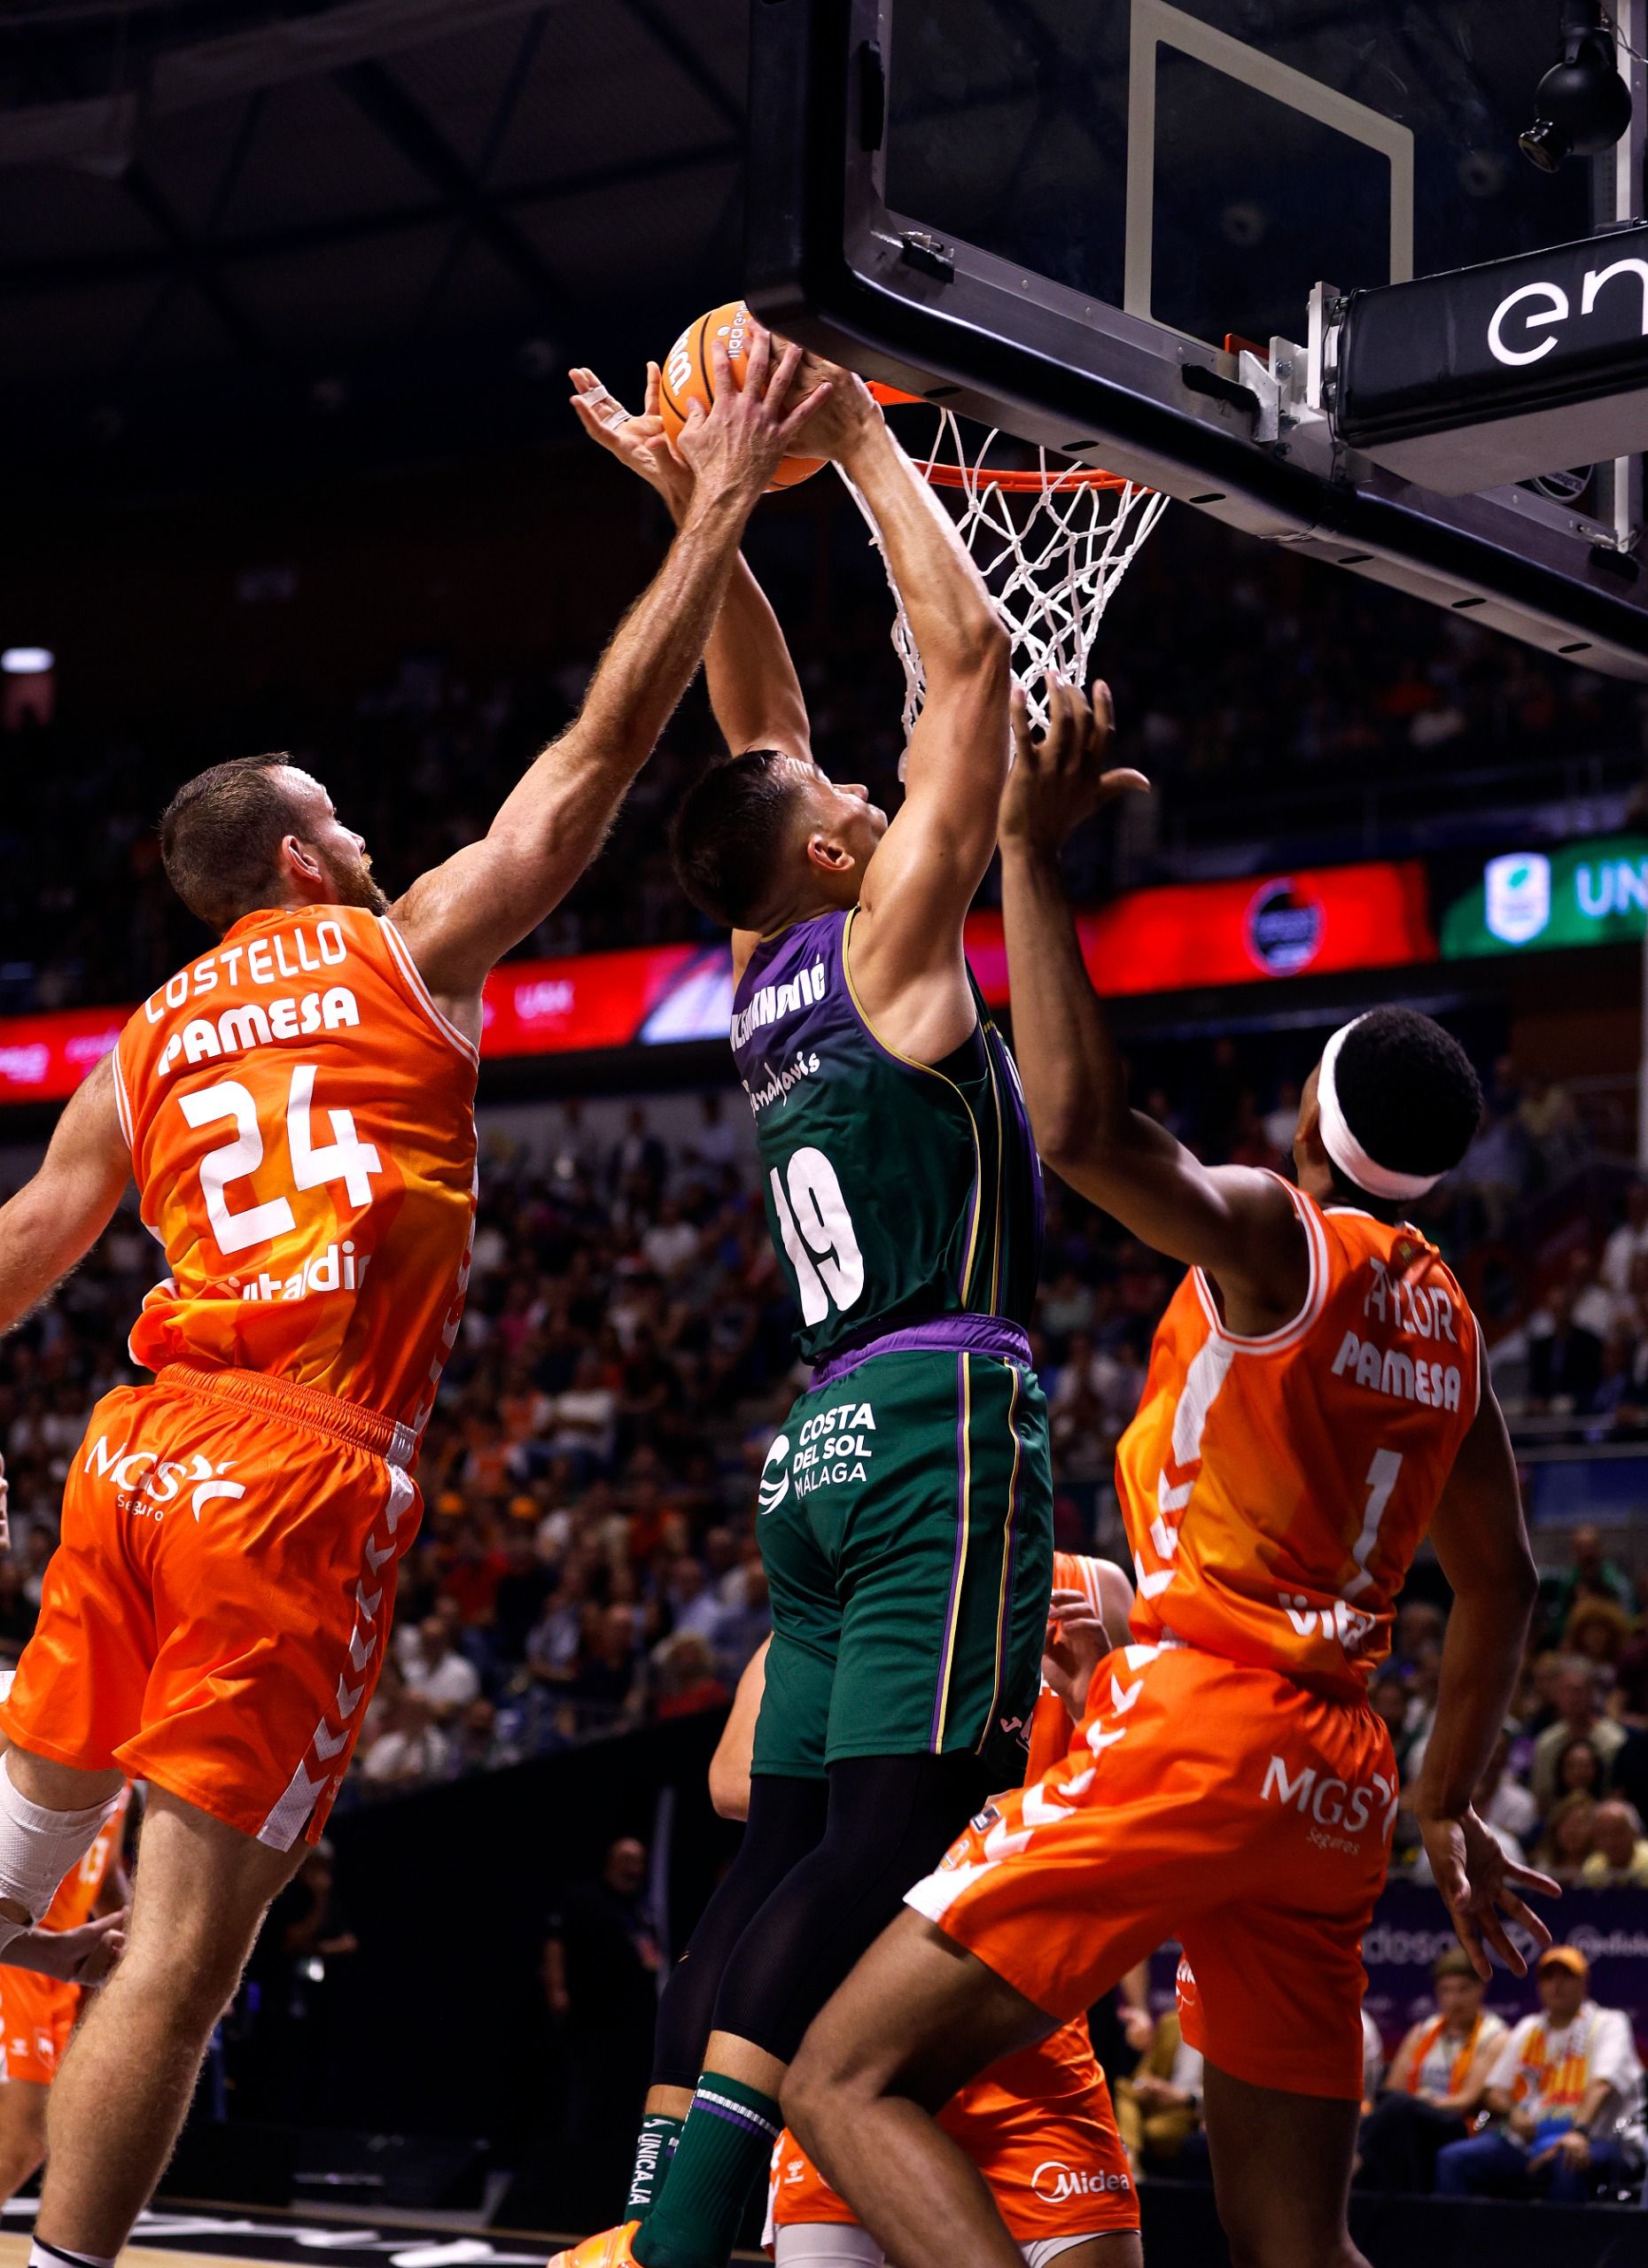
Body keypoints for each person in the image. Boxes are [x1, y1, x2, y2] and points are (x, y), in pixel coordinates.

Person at [0, 327, 829, 2268]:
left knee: (23, 1875)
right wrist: (708, 504)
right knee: (188, 1960)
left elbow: (30, 1250)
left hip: (136, 1450)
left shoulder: (143, 1039)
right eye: (346, 817)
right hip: (299, 1467)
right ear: (304, 855)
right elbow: (601, 764)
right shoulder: (401, 943)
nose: (373, 831)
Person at [782, 680, 1555, 2268]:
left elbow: (1073, 1131)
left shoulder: (1283, 1238)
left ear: (1308, 1116)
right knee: (1297, 2244)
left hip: (1201, 1725)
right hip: (1338, 1784)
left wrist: (1028, 852)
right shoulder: (1455, 1326)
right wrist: (1453, 1803)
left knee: (843, 2080)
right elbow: (1505, 1581)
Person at [554, 347, 1051, 2268]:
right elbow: (980, 683)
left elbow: (753, 719)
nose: (859, 778)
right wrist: (851, 449)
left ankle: (645, 2206)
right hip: (932, 1418)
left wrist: (708, 496)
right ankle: (695, 2239)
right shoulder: (893, 934)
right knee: (867, 1845)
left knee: (780, 1841)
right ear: (843, 854)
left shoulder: (772, 962)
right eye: (850, 793)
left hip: (816, 1446)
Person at [735, 1569, 1142, 2268]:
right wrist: (880, 1795)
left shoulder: (1086, 1585)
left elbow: (1142, 1777)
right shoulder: (853, 1598)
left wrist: (1092, 1695)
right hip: (862, 2044)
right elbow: (730, 1781)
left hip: (1027, 2063)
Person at [0, 1780, 130, 2207]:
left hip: (59, 1959)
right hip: (17, 1949)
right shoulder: (43, 1724)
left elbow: (106, 1873)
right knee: (26, 2130)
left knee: (34, 2134)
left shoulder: (129, 1769)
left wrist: (147, 1949)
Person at [1435, 1945, 1644, 2202]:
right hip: (1527, 2141)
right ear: (1539, 1987)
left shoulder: (1608, 2023)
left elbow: (1602, 2084)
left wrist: (1578, 2133)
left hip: (1594, 2139)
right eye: (1549, 1977)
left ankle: (1562, 2243)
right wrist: (1513, 2114)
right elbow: (1495, 2091)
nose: (1557, 1984)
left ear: (1584, 1983)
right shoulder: (1528, 2028)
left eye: (1566, 1976)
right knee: (1453, 2159)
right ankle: (1461, 2241)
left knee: (1567, 2161)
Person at [1355, 1948, 1507, 2194]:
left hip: (1458, 2123)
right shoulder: (1423, 2032)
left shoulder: (1494, 2036)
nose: (1454, 2000)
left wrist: (1421, 2102)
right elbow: (1391, 2090)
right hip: (1414, 2118)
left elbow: (1467, 2099)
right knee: (1393, 2115)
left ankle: (1356, 2165)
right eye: (1446, 1991)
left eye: (1463, 1990)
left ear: (1481, 1989)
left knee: (1399, 2109)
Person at [1528, 1658, 1626, 1810]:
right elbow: (1541, 1800)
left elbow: (1616, 1797)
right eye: (1563, 1691)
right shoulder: (1546, 1742)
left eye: (1576, 1691)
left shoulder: (1615, 1741)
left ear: (1591, 1693)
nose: (1570, 1699)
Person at [1580, 1797, 1648, 1887]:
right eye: (1603, 1834)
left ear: (1634, 1833)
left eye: (1619, 1832)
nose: (1611, 1841)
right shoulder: (1593, 1867)